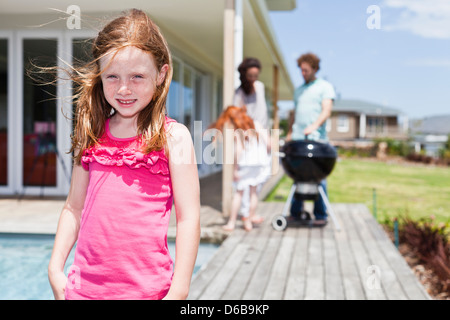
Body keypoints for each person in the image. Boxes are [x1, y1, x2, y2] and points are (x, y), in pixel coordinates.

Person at [48, 9, 200, 300]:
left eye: (138, 76)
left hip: (148, 292)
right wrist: (55, 268)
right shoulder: (90, 134)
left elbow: (188, 217)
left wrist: (179, 291)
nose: (124, 88)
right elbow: (74, 208)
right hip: (84, 291)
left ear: (161, 75)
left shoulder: (173, 138)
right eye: (113, 76)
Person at [286, 52, 336, 226]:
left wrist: (314, 126)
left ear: (314, 68)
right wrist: (290, 132)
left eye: (306, 70)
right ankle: (295, 212)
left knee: (318, 178)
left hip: (317, 141)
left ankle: (321, 215)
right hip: (299, 140)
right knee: (297, 176)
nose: (303, 73)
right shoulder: (299, 90)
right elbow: (294, 113)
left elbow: (326, 110)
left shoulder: (325, 87)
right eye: (301, 70)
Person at [209, 106, 269, 231]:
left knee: (239, 193)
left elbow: (239, 151)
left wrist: (235, 169)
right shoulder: (256, 124)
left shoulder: (238, 130)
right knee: (253, 193)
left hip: (245, 164)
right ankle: (248, 221)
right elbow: (269, 143)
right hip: (259, 163)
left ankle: (231, 223)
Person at [233, 58, 270, 224]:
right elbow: (237, 117)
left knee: (262, 176)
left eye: (256, 74)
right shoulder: (239, 93)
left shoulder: (260, 87)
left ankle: (249, 212)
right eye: (251, 75)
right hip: (250, 136)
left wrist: (266, 137)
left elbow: (262, 112)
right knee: (247, 181)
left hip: (263, 134)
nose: (254, 78)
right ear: (244, 75)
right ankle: (246, 214)